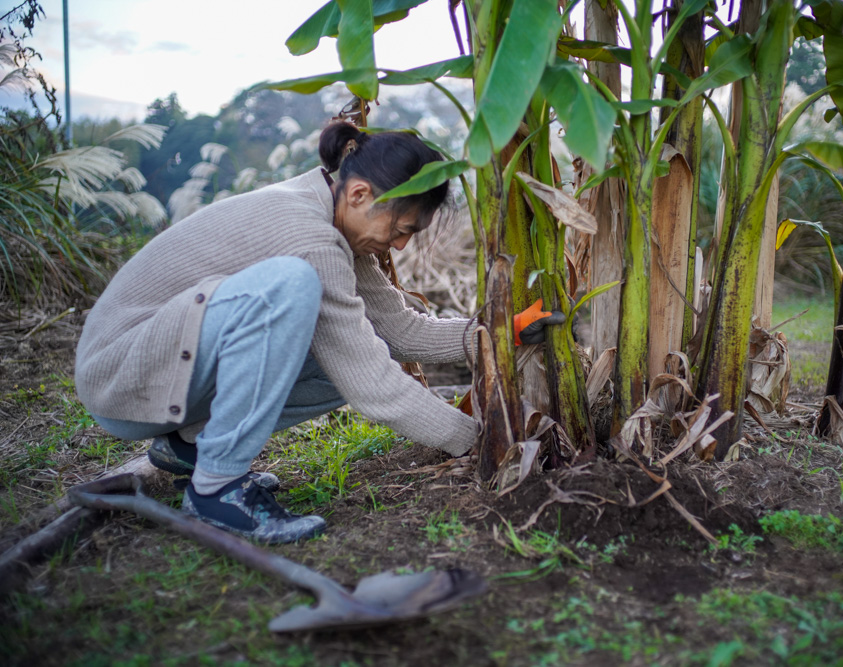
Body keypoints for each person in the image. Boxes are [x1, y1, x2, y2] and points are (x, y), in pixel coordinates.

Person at [75, 120, 565, 545]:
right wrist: (480, 440)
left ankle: (192, 447)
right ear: (359, 195)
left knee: (352, 341)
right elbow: (372, 387)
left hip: (167, 374)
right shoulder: (310, 236)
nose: (399, 243)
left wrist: (505, 333)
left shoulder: (335, 217)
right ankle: (217, 489)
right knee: (292, 289)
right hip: (123, 375)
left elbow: (399, 331)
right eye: (402, 229)